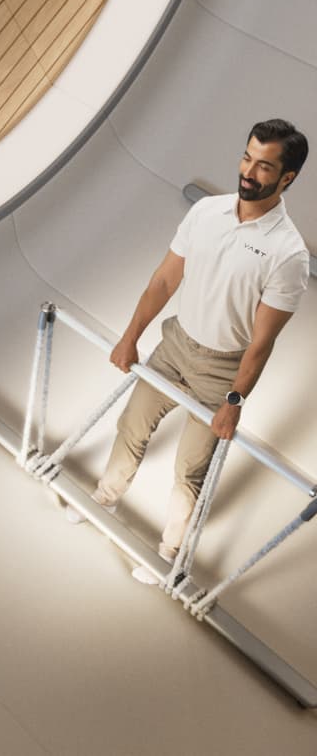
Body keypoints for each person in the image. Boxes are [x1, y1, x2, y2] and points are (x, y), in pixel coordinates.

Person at [66, 119, 310, 584]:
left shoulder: (288, 254)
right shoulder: (208, 212)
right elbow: (163, 280)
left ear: (287, 178)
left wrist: (234, 403)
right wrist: (131, 335)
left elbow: (261, 344)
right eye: (246, 157)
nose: (248, 171)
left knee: (189, 469)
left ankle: (169, 551)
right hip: (175, 344)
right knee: (132, 425)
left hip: (221, 371)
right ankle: (104, 496)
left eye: (264, 166)